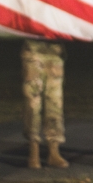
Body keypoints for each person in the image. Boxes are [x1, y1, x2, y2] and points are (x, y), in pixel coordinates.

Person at [21, 39, 69, 169]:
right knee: (33, 103)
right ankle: (33, 150)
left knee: (55, 104)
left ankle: (54, 151)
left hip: (55, 53)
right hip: (34, 53)